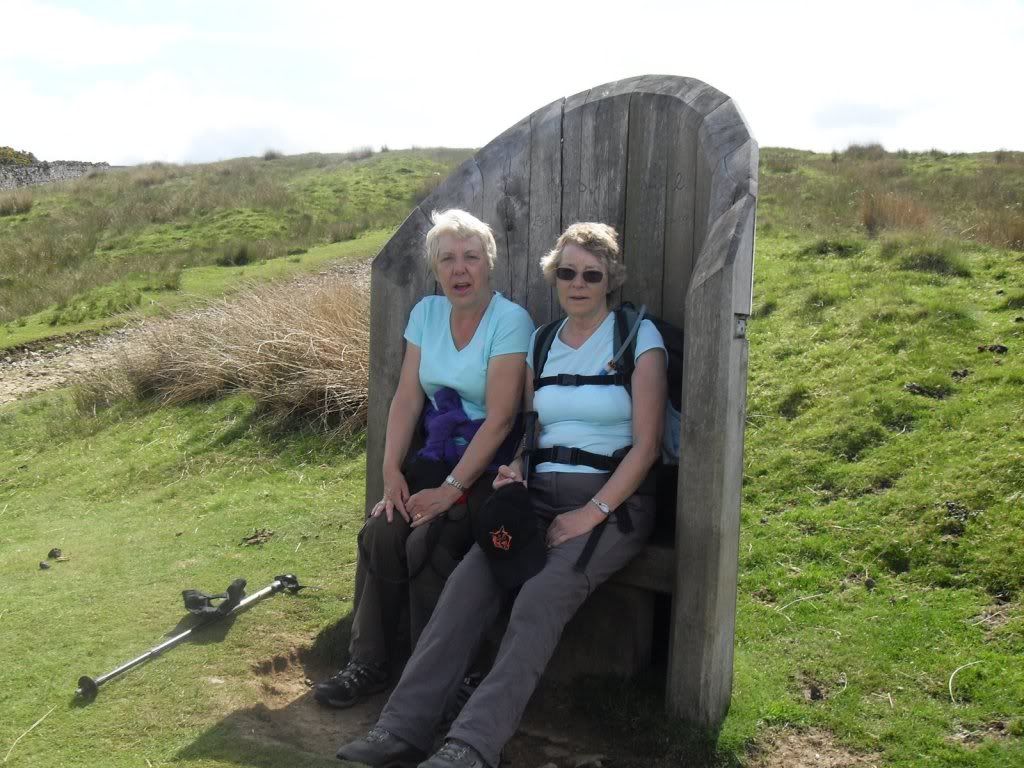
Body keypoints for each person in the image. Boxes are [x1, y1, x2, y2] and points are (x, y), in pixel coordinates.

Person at [336, 222, 667, 767]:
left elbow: (648, 446)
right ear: (553, 277)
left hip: (612, 504)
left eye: (591, 274)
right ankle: (399, 730)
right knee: (470, 581)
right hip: (536, 495)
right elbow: (531, 431)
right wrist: (515, 465)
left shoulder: (637, 337)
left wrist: (591, 512)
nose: (578, 283)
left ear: (610, 280)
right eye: (567, 272)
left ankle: (470, 746)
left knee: (538, 599)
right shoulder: (545, 340)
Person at [314, 209, 534, 709]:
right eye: (448, 259)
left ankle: (439, 673)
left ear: (489, 264)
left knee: (429, 539)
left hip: (488, 466)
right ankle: (368, 663)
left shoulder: (510, 321)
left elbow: (501, 419)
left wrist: (452, 490)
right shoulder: (426, 315)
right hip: (432, 455)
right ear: (436, 268)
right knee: (384, 529)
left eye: (471, 258)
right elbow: (408, 399)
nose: (460, 270)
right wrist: (391, 472)